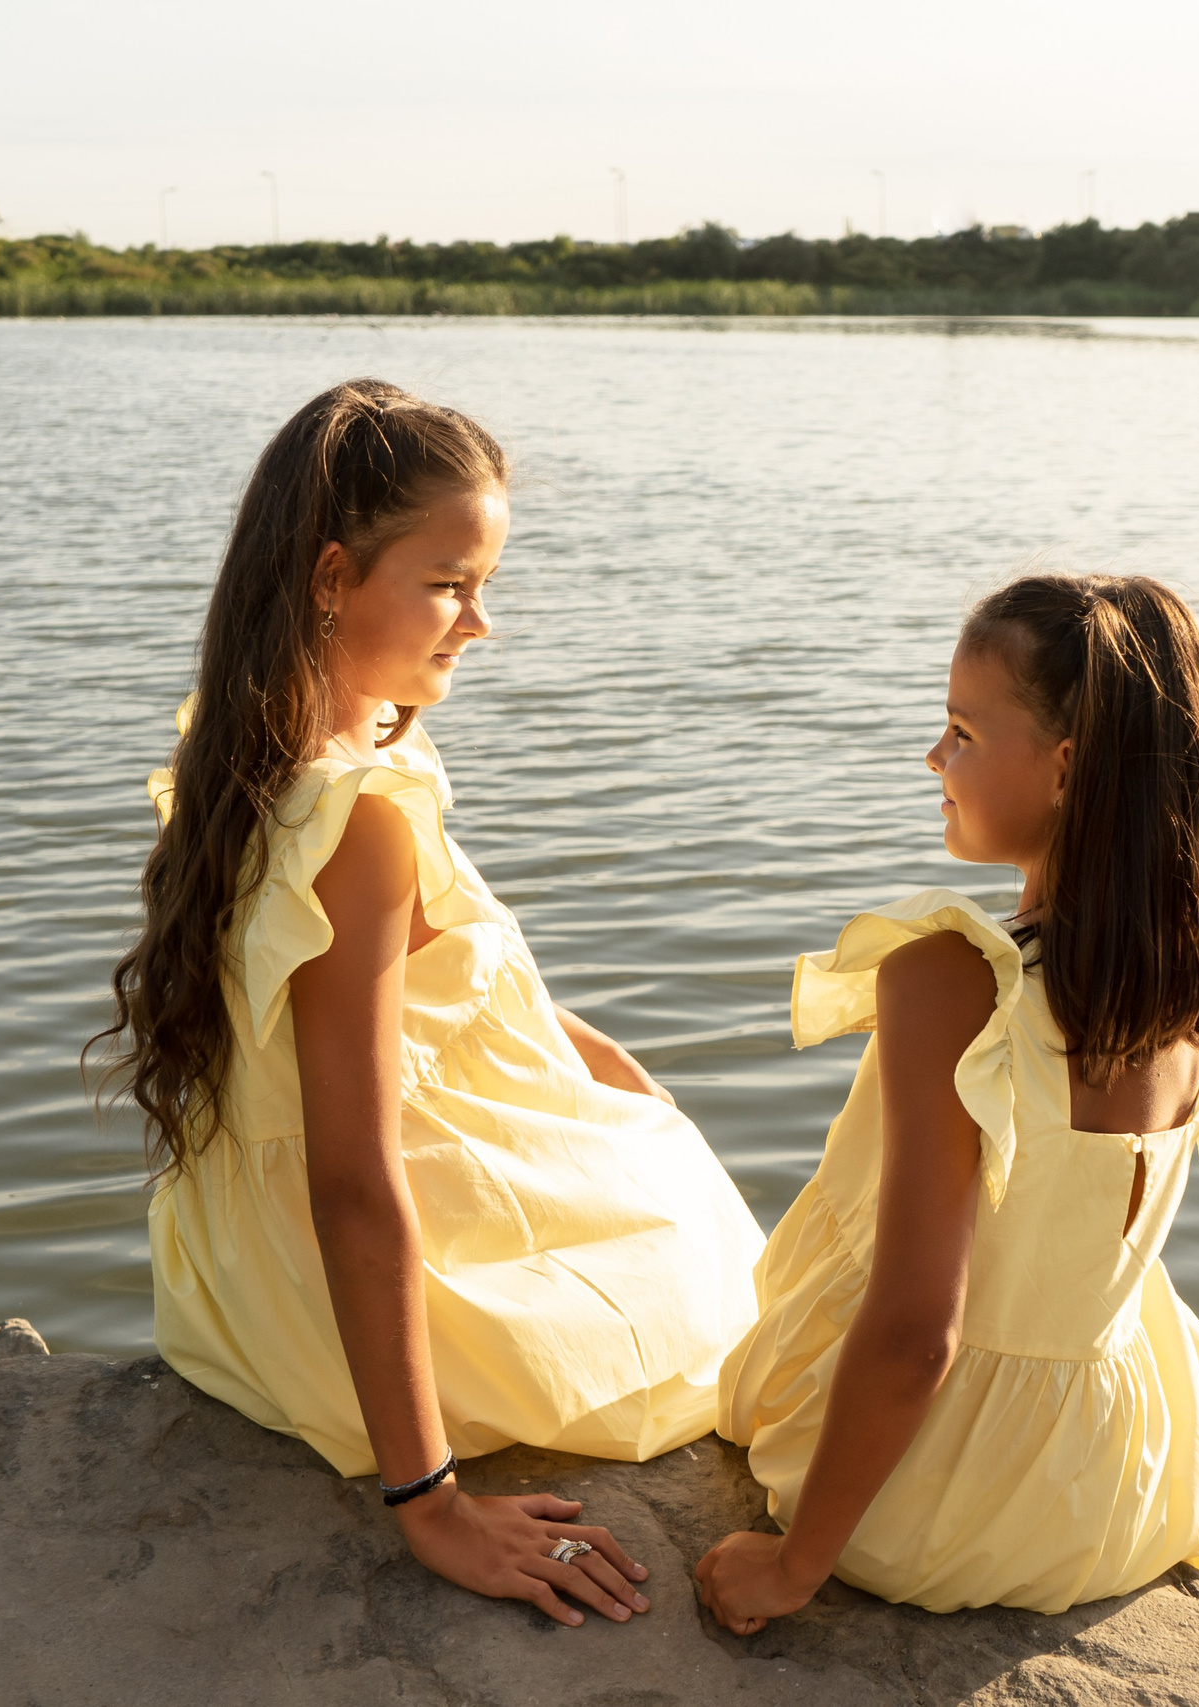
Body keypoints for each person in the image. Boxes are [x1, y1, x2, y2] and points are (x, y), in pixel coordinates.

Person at [103, 378, 764, 1629]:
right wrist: (430, 1500)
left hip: (232, 1288)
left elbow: (444, 1000)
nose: (481, 623)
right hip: (345, 1302)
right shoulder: (356, 825)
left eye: (485, 584)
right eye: (451, 585)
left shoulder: (252, 753)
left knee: (661, 1145)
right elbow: (353, 1180)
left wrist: (618, 1083)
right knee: (741, 1302)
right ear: (331, 578)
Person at [696, 572, 1199, 1630]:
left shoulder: (953, 980)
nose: (932, 759)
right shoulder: (1197, 988)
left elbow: (916, 1334)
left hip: (931, 1504)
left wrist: (795, 1566)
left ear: (1066, 767)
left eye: (960, 733)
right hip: (1118, 1491)